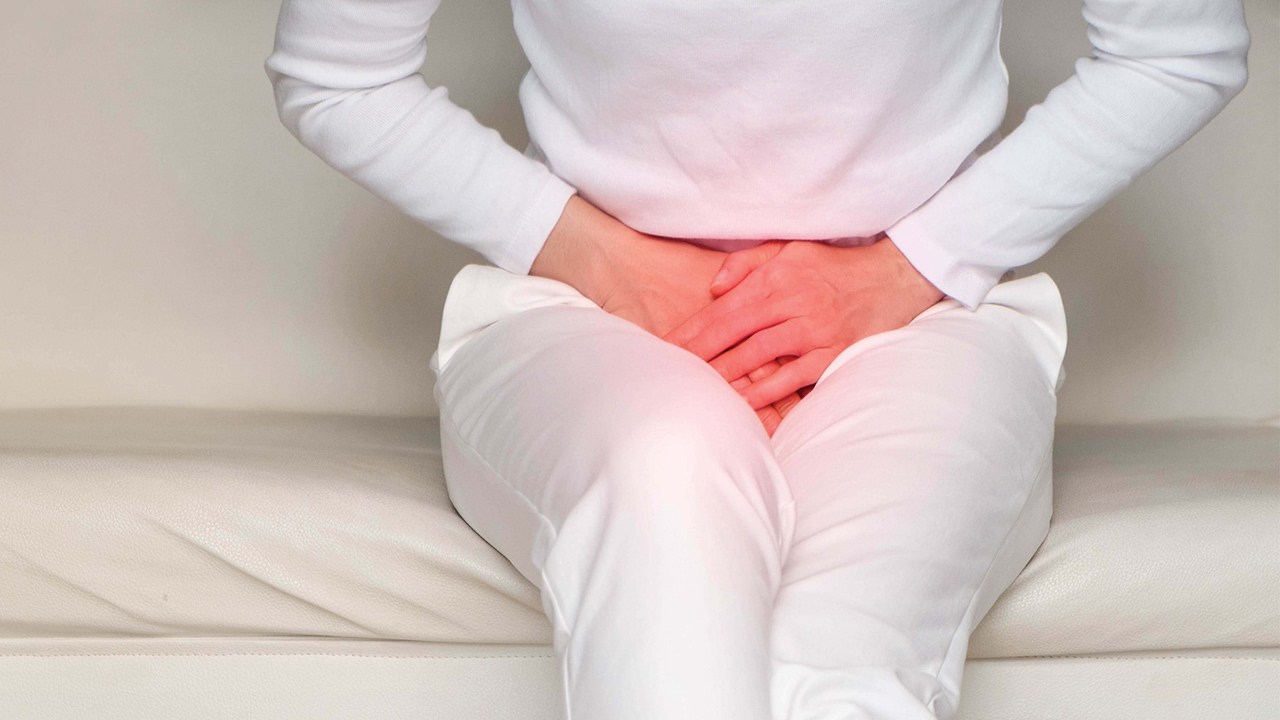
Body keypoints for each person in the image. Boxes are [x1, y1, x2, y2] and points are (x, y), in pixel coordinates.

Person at [264, 0, 1250, 716]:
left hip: (926, 323)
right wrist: (611, 264)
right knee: (666, 486)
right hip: (581, 318)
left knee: (843, 640)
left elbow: (1179, 47)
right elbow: (334, 71)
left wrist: (905, 269)